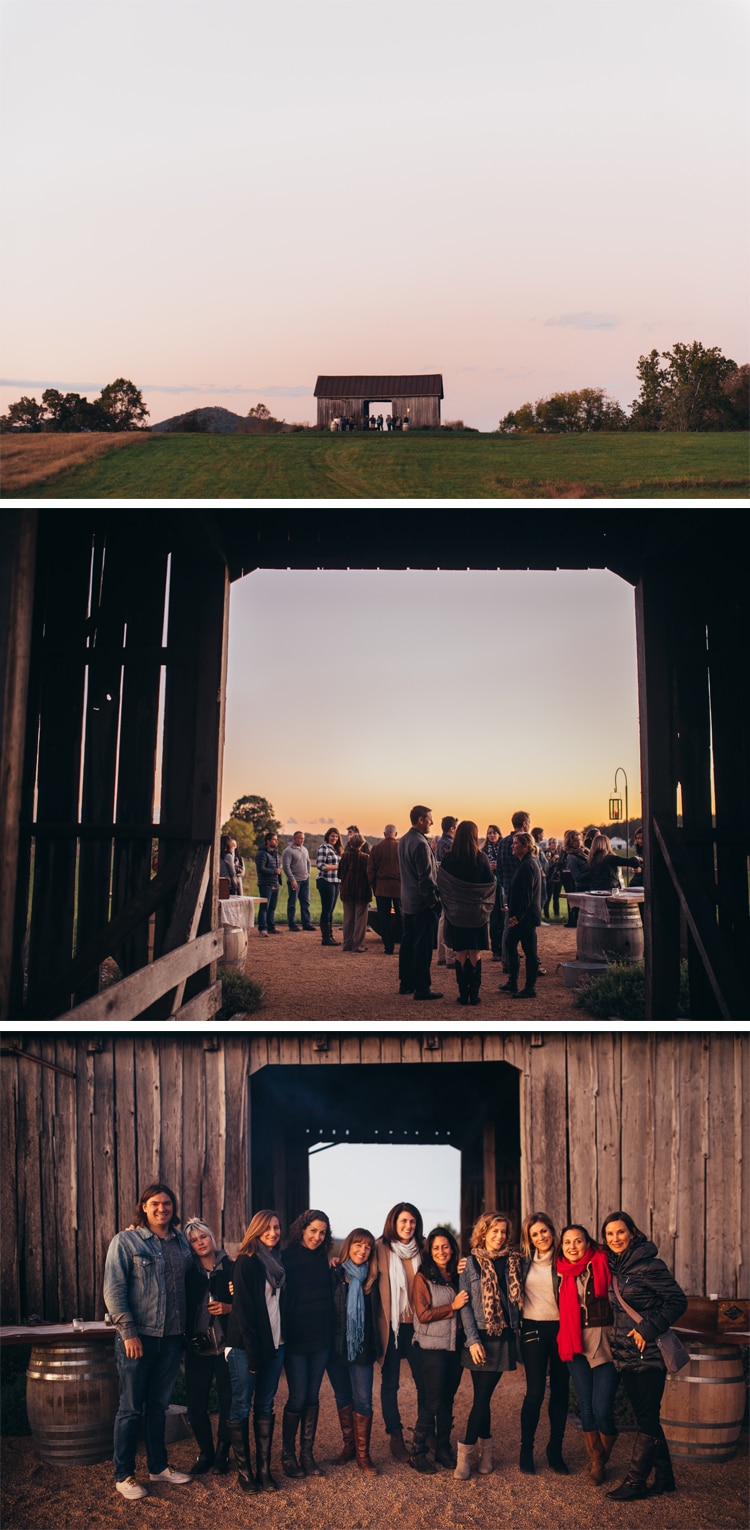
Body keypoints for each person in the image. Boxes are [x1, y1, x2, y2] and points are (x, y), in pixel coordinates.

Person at [103, 1182, 193, 1501]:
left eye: (167, 1204)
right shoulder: (126, 1241)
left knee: (158, 1406)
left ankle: (158, 1467)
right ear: (144, 1207)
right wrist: (128, 1332)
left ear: (173, 1207)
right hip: (138, 1339)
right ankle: (123, 1474)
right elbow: (114, 1290)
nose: (161, 1209)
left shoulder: (181, 1243)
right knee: (130, 1409)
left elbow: (198, 1275)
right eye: (154, 1204)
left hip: (171, 1339)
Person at [602, 1211, 687, 1500]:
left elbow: (677, 1301)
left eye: (620, 1232)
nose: (615, 1238)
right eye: (610, 1234)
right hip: (626, 1355)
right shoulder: (615, 1267)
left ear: (632, 1233)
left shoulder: (650, 1266)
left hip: (648, 1353)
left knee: (647, 1418)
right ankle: (665, 1477)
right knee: (646, 1416)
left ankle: (636, 1482)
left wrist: (645, 1329)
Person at [454, 1211, 522, 1480]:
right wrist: (472, 1341)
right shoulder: (469, 1263)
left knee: (482, 1396)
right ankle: (487, 1453)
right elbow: (466, 1306)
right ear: (483, 1233)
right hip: (478, 1337)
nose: (500, 1236)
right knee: (483, 1396)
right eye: (494, 1231)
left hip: (502, 1335)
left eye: (504, 1231)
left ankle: (466, 1455)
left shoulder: (516, 1261)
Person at [225, 1209, 286, 1494]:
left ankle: (264, 1470)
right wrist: (252, 1355)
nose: (273, 1232)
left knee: (265, 1406)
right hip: (245, 1347)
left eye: (277, 1228)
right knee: (241, 1406)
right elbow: (244, 1313)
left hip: (276, 1344)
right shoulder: (246, 1263)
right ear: (257, 1229)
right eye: (268, 1228)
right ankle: (244, 1471)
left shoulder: (277, 1263)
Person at [556, 1223, 617, 1486]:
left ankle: (602, 1456)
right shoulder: (558, 1271)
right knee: (586, 1405)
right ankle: (597, 1461)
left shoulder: (604, 1262)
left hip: (603, 1341)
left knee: (602, 1408)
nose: (572, 1246)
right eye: (567, 1242)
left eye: (578, 1241)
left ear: (587, 1243)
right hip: (573, 1341)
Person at [280, 1209, 334, 1478]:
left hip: (321, 1338)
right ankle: (288, 1455)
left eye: (322, 1232)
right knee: (298, 1396)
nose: (317, 1236)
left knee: (313, 1397)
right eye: (313, 1230)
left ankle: (307, 1455)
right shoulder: (285, 1257)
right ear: (302, 1229)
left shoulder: (325, 1260)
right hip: (296, 1338)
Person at [410, 1226, 468, 1473]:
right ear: (429, 1252)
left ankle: (443, 1448)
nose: (441, 1251)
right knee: (432, 1401)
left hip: (455, 1346)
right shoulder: (422, 1277)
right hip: (431, 1347)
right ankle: (417, 1452)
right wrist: (451, 1307)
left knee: (447, 1400)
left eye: (445, 1246)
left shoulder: (457, 1275)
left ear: (452, 1249)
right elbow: (422, 1315)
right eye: (436, 1248)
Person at [518, 1211, 569, 1475]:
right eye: (535, 1234)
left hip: (562, 1329)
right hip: (533, 1328)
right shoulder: (522, 1261)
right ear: (529, 1237)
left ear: (552, 1230)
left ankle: (555, 1451)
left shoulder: (566, 1258)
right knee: (535, 1393)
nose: (541, 1237)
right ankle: (526, 1450)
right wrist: (464, 1264)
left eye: (544, 1231)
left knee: (560, 1392)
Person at [328, 1227, 382, 1474]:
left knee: (364, 1400)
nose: (362, 1250)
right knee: (342, 1398)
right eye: (358, 1245)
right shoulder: (334, 1273)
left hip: (362, 1347)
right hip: (336, 1347)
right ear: (348, 1246)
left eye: (367, 1247)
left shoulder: (373, 1279)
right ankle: (349, 1447)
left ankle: (363, 1455)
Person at [376, 1201, 426, 1461]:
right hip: (392, 1326)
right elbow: (363, 1271)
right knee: (390, 1383)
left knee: (424, 1382)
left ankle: (422, 1434)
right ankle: (395, 1437)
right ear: (393, 1223)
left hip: (420, 1325)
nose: (408, 1226)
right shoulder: (380, 1247)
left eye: (413, 1221)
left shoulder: (425, 1248)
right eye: (403, 1221)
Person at [183, 1218, 233, 1476]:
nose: (200, 1242)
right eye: (194, 1240)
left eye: (203, 1237)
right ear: (190, 1246)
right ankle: (206, 1452)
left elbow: (248, 1305)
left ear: (212, 1238)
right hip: (198, 1348)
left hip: (227, 1349)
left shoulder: (231, 1267)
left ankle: (223, 1453)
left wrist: (228, 1308)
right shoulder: (187, 1273)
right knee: (196, 1405)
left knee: (228, 1403)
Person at [437, 819, 496, 1006]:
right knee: (475, 953)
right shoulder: (481, 858)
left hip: (456, 914)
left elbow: (442, 885)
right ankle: (475, 995)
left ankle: (463, 995)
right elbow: (490, 883)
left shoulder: (448, 858)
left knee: (460, 953)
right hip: (477, 914)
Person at [398, 805, 442, 1001]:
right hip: (422, 903)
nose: (432, 822)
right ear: (421, 820)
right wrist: (432, 902)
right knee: (423, 947)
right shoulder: (420, 843)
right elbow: (425, 878)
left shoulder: (404, 840)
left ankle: (406, 983)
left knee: (408, 943)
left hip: (407, 901)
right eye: (430, 819)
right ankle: (422, 988)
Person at [500, 830, 542, 999]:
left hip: (525, 918)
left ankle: (530, 988)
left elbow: (526, 895)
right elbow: (519, 893)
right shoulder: (525, 863)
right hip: (520, 915)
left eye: (516, 843)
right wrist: (510, 907)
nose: (512, 845)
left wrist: (517, 916)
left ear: (525, 846)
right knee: (510, 945)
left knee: (529, 952)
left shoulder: (527, 865)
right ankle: (512, 981)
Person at [497, 809, 531, 967]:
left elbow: (500, 868)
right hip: (522, 890)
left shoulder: (503, 842)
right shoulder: (525, 842)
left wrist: (504, 885)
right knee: (526, 925)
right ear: (524, 824)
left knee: (507, 927)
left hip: (507, 888)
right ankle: (531, 959)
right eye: (529, 823)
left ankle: (507, 961)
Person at [367, 824, 402, 954]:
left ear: (384, 834)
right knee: (401, 917)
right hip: (399, 888)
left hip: (382, 887)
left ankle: (388, 947)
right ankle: (403, 946)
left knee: (384, 919)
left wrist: (374, 887)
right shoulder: (401, 848)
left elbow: (370, 871)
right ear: (396, 834)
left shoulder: (376, 848)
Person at [337, 831, 372, 953]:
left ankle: (347, 944)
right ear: (362, 844)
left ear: (350, 843)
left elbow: (339, 874)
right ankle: (358, 945)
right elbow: (369, 876)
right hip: (362, 892)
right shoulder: (366, 858)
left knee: (348, 919)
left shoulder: (344, 856)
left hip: (346, 891)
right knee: (360, 919)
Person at [433, 815, 457, 969]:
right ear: (452, 829)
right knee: (449, 920)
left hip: (441, 884)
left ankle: (441, 955)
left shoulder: (440, 843)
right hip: (450, 886)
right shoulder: (450, 844)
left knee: (442, 920)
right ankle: (450, 957)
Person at [282, 830, 314, 931]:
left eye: (303, 839)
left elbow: (308, 862)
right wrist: (292, 879)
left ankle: (307, 923)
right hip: (295, 881)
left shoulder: (304, 849)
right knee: (292, 903)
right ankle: (292, 924)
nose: (301, 840)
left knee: (306, 902)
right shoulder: (288, 851)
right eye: (300, 838)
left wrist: (308, 874)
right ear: (294, 839)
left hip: (305, 880)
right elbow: (286, 867)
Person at [316, 827, 342, 946]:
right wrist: (337, 867)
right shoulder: (324, 848)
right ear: (328, 836)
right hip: (325, 881)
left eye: (336, 836)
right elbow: (320, 865)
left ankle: (330, 936)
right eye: (332, 836)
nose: (334, 838)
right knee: (326, 909)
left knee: (330, 910)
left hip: (336, 881)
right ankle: (325, 937)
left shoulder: (336, 849)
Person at [255, 829, 281, 936]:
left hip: (275, 884)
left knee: (272, 907)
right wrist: (275, 871)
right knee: (264, 907)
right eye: (274, 840)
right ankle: (263, 929)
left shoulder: (275, 853)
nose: (276, 842)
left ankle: (271, 927)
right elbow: (261, 869)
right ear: (268, 841)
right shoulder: (262, 854)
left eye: (276, 840)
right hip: (265, 884)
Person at [561, 828, 588, 927]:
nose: (579, 842)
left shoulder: (585, 852)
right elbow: (577, 877)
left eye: (580, 840)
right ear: (570, 842)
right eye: (576, 841)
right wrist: (592, 871)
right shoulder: (571, 857)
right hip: (582, 887)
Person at [483, 824, 503, 958]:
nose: (492, 835)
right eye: (489, 833)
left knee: (505, 919)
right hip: (491, 887)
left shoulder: (504, 849)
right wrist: (488, 866)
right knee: (495, 919)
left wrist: (499, 865)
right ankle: (495, 949)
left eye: (494, 833)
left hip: (503, 885)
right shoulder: (484, 851)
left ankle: (505, 948)